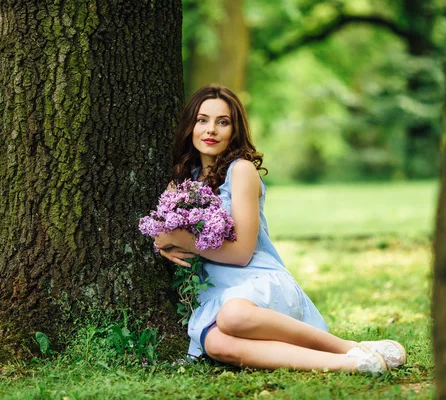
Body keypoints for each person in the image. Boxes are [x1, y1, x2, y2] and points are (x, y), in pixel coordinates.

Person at [154, 84, 406, 374]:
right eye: (202, 120)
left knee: (233, 317)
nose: (211, 130)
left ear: (234, 131)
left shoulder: (241, 171)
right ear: (190, 126)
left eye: (222, 122)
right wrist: (163, 243)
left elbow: (242, 254)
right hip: (215, 295)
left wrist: (182, 241)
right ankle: (351, 364)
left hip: (257, 283)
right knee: (216, 345)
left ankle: (347, 346)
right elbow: (164, 232)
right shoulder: (185, 182)